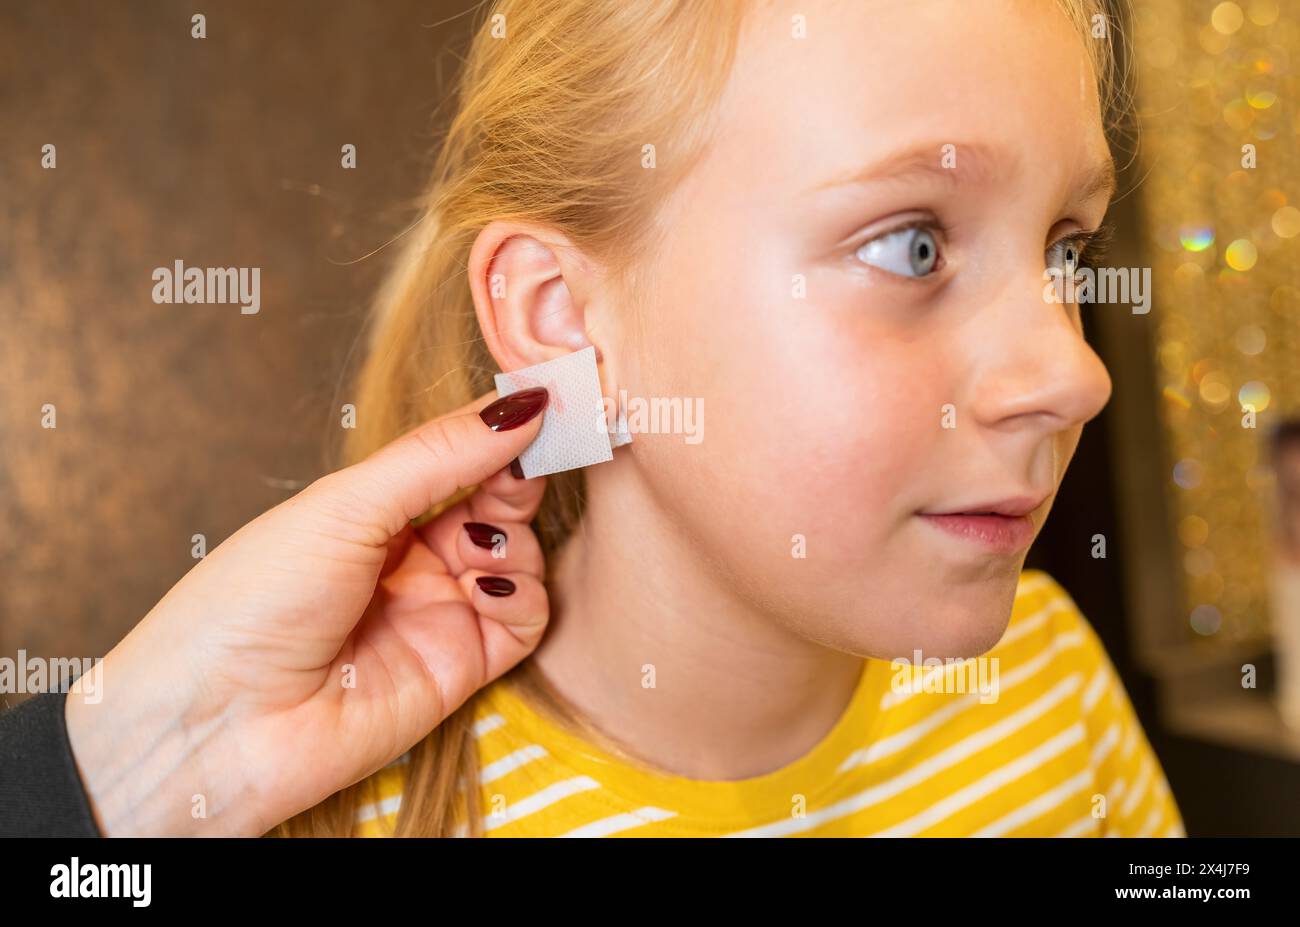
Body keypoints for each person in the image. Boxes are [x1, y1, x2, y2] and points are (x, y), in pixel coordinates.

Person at [1, 0, 1185, 837]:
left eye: (1062, 246)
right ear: (563, 319)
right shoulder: (328, 808)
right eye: (912, 244)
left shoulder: (1047, 672)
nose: (1072, 376)